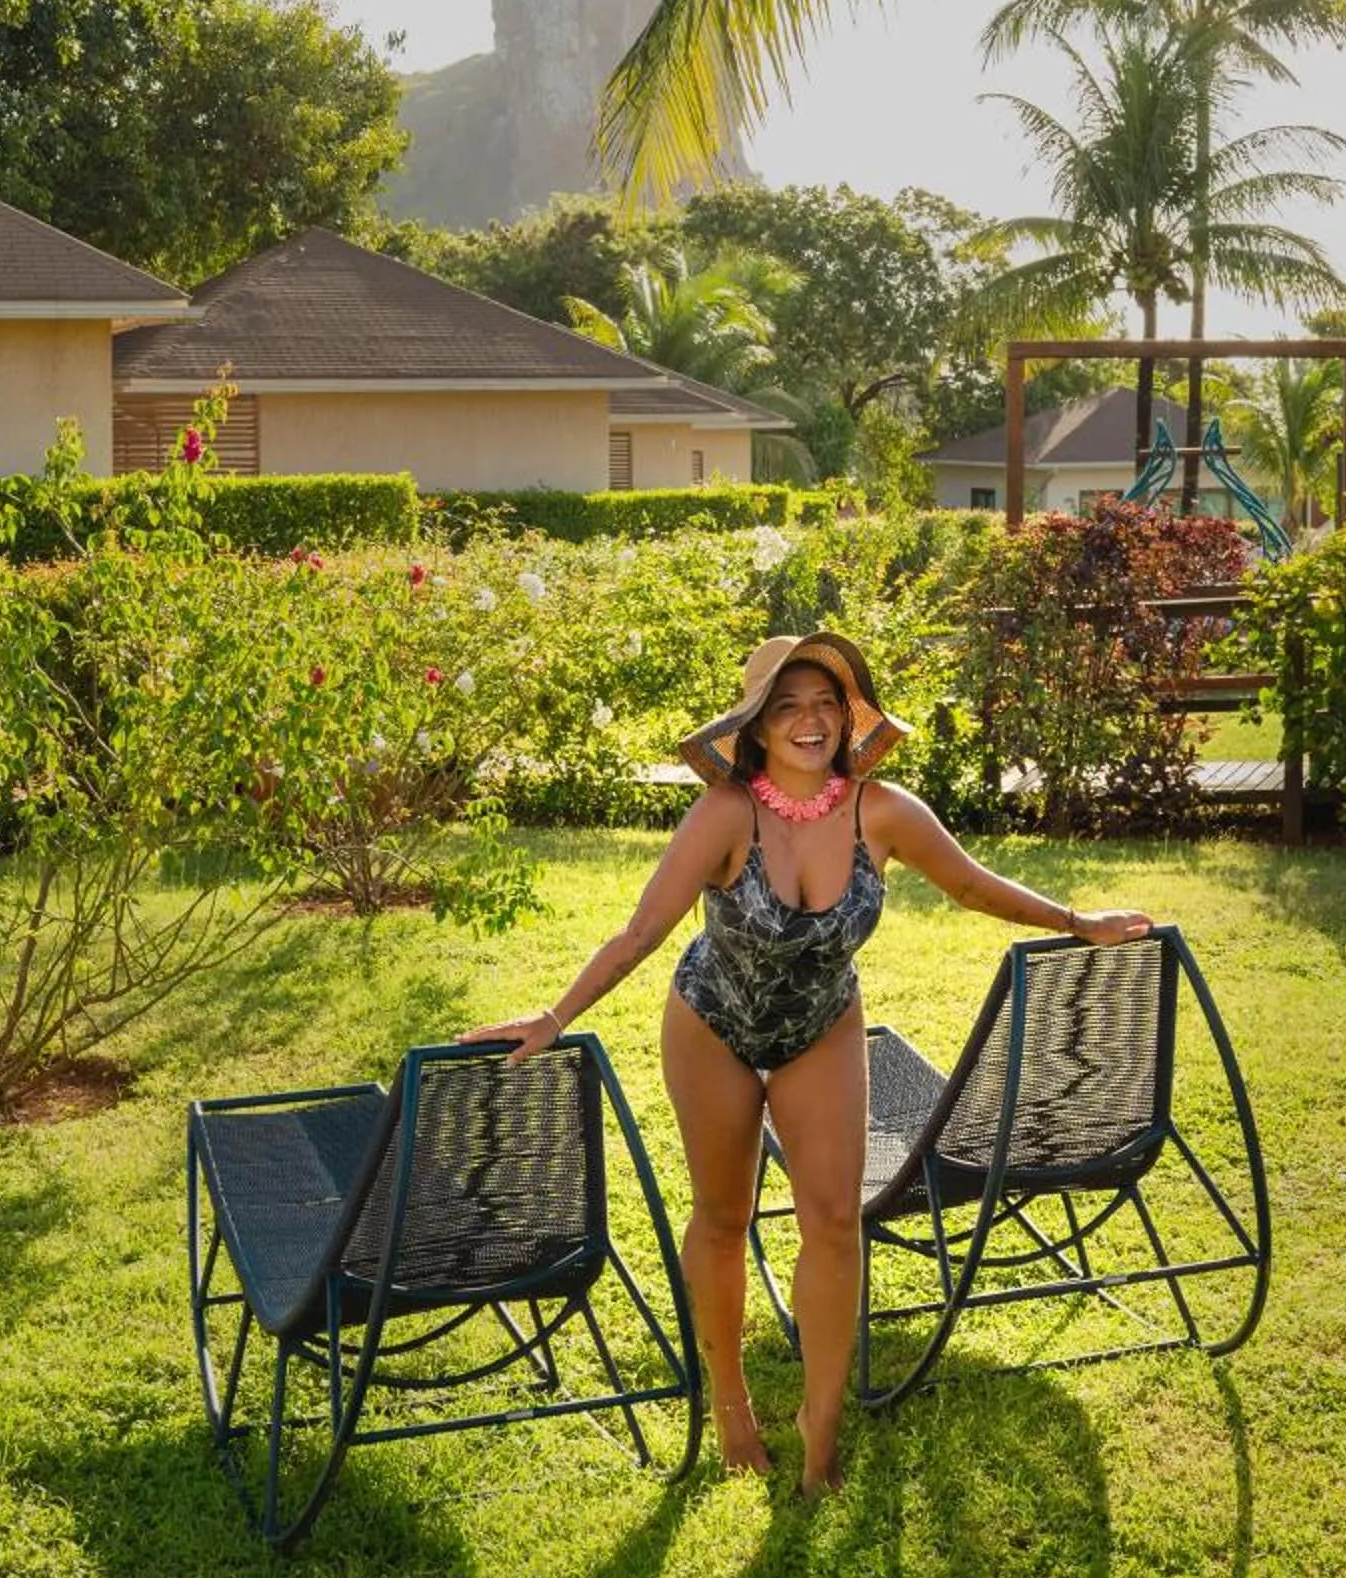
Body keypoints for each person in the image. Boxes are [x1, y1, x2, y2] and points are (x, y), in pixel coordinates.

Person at [461, 630, 1152, 1497]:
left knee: (833, 1220)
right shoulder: (724, 814)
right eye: (786, 705)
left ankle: (820, 1421)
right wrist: (555, 1014)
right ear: (754, 729)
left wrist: (1076, 921)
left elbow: (972, 885)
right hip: (712, 1023)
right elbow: (642, 932)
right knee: (724, 1216)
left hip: (821, 1026)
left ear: (846, 716)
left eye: (824, 701)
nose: (809, 719)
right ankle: (730, 1399)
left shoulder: (882, 810)